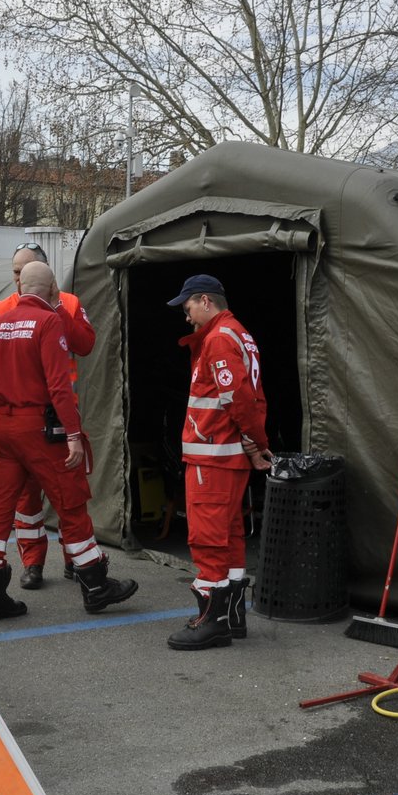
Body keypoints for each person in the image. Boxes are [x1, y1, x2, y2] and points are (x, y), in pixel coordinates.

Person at [0, 261, 135, 621]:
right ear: (50, 291)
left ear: (19, 287)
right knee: (71, 502)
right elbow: (59, 385)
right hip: (41, 428)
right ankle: (95, 585)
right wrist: (74, 434)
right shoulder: (48, 321)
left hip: (3, 426)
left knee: (0, 511)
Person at [166, 274, 273, 651]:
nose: (186, 315)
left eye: (188, 306)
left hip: (212, 456)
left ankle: (212, 623)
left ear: (206, 301)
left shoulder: (218, 339)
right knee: (229, 536)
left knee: (208, 538)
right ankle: (232, 617)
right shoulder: (237, 334)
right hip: (226, 456)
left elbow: (237, 398)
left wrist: (256, 442)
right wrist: (254, 444)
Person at [0, 242, 96, 589]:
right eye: (15, 272)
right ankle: (32, 563)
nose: (18, 280)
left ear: (46, 276)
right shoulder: (0, 309)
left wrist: (57, 308)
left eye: (24, 272)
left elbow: (86, 343)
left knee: (67, 495)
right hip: (31, 418)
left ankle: (74, 561)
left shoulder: (70, 303)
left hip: (58, 416)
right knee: (27, 500)